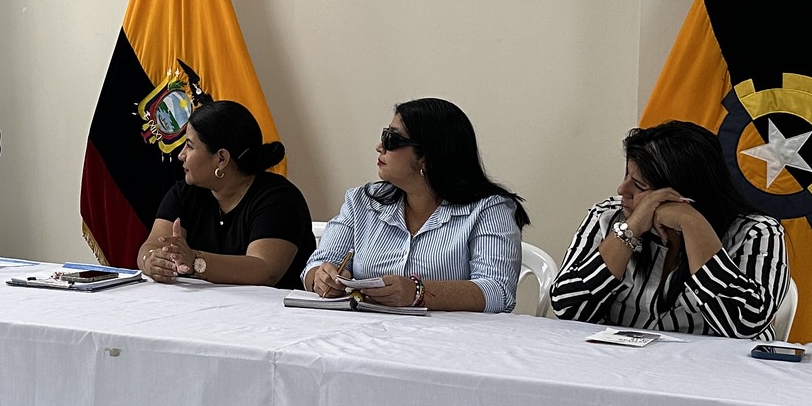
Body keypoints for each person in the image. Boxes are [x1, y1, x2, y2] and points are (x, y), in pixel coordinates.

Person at [549, 120, 791, 339]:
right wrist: (629, 231)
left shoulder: (758, 232)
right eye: (626, 176)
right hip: (618, 363)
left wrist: (692, 223)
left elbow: (746, 324)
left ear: (681, 194)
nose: (622, 190)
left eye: (639, 185)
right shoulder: (607, 216)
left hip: (713, 368)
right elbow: (567, 307)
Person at [303, 99, 527, 312]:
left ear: (427, 157)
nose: (380, 147)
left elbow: (498, 291)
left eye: (392, 139)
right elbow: (317, 264)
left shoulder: (489, 209)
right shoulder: (362, 201)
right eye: (384, 136)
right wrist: (321, 278)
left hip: (451, 335)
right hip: (365, 332)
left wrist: (418, 292)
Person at [138, 100, 316, 288]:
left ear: (221, 158)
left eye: (189, 146)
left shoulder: (279, 199)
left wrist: (195, 261)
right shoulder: (184, 192)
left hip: (275, 305)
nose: (181, 155)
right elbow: (151, 246)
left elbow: (263, 270)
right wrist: (152, 261)